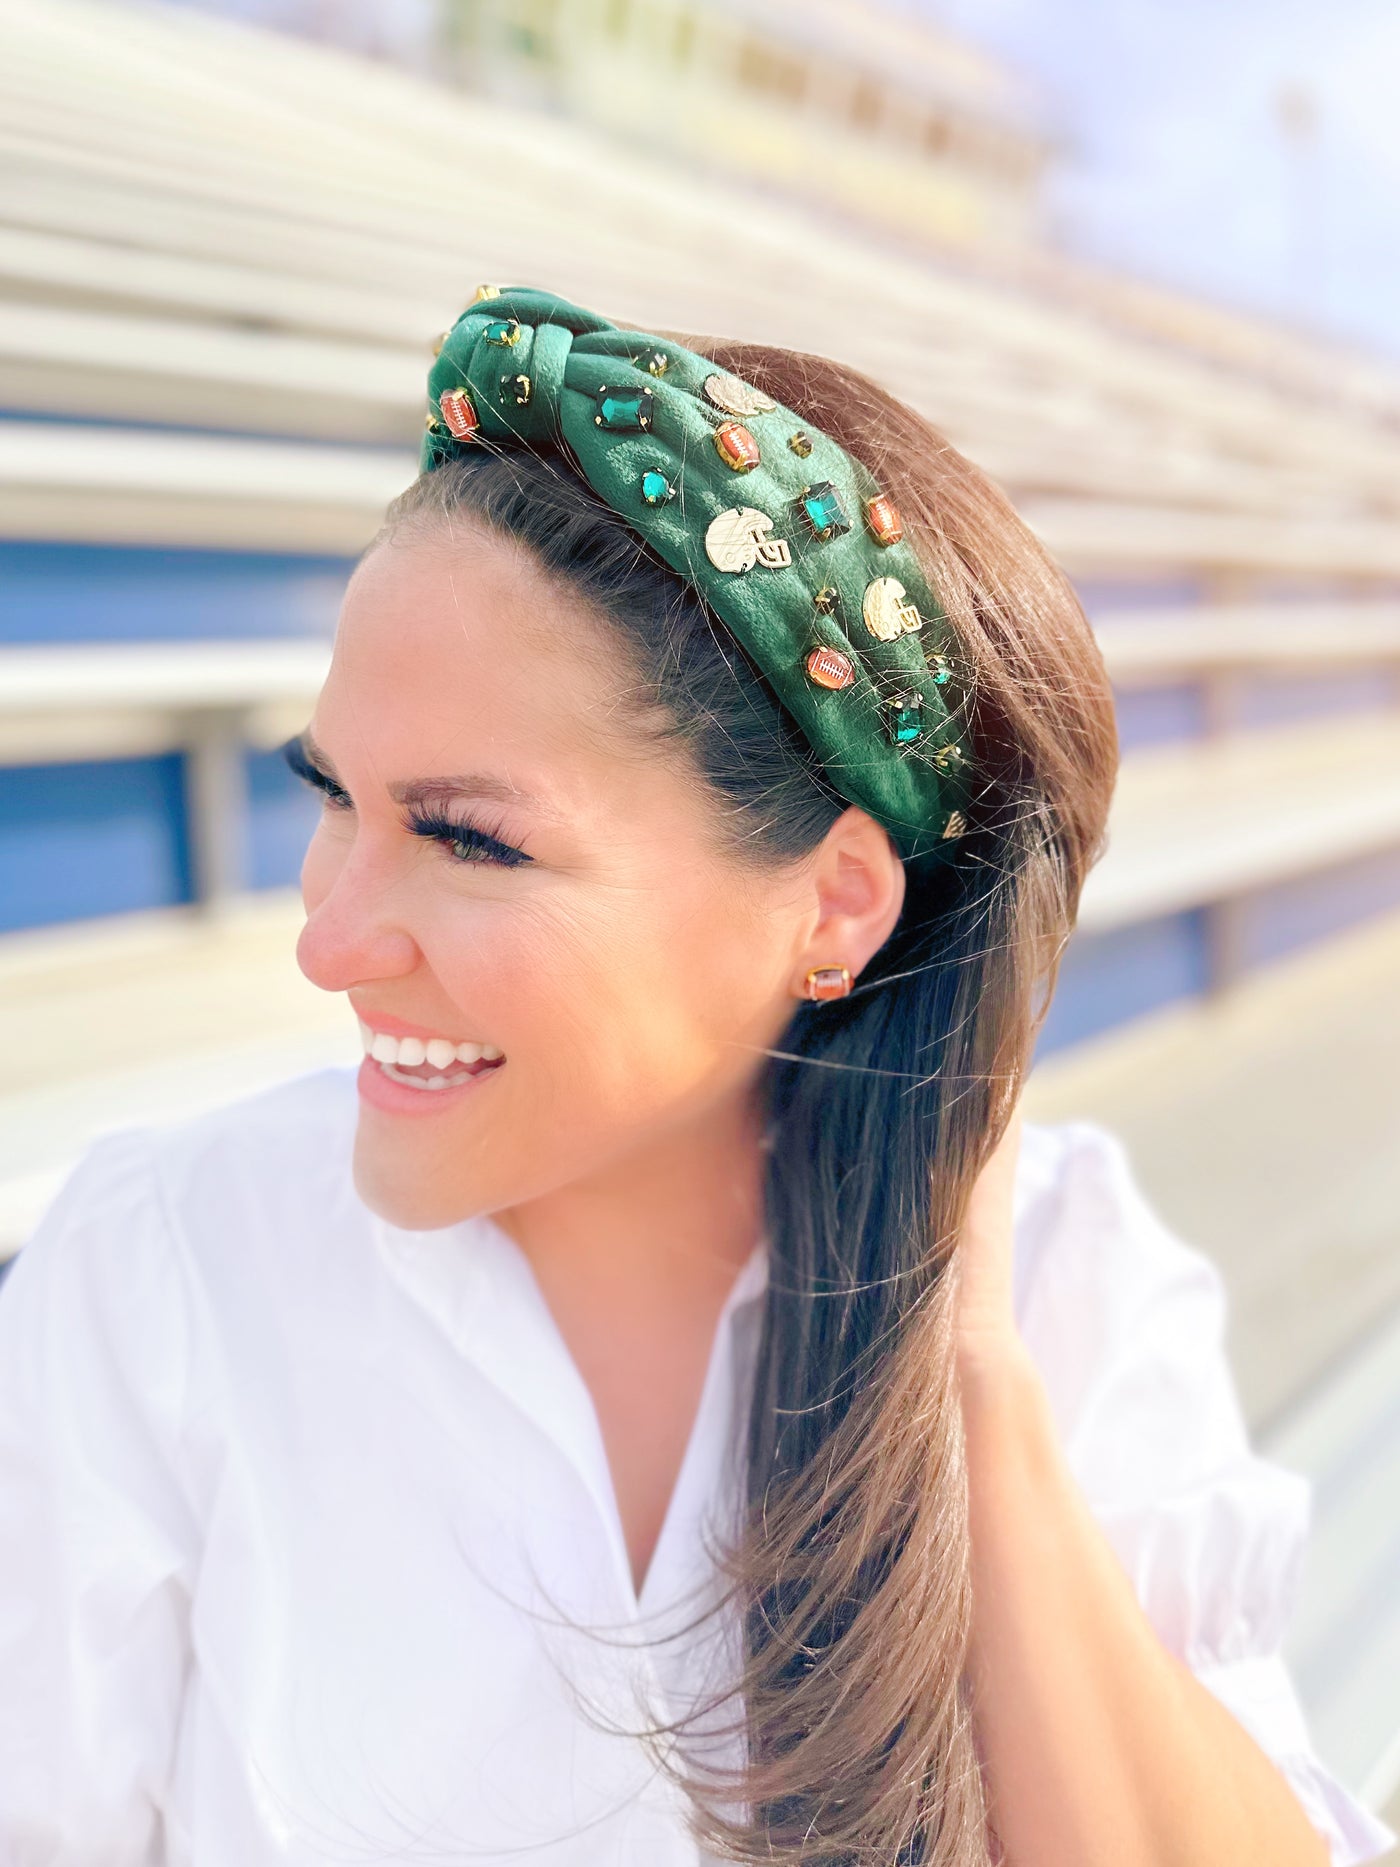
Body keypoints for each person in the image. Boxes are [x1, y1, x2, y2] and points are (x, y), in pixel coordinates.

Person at [0, 287, 1392, 1867]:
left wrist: (973, 1378)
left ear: (834, 903)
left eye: (467, 837)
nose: (328, 944)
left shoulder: (1074, 1277)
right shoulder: (165, 1262)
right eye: (338, 799)